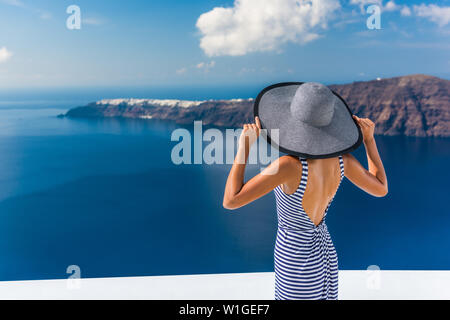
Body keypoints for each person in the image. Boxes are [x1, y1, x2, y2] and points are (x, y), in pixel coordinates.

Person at [223, 82, 388, 300]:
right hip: (325, 255)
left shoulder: (288, 167)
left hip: (295, 262)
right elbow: (380, 188)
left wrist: (244, 147)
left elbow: (231, 200)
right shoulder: (342, 160)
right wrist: (369, 141)